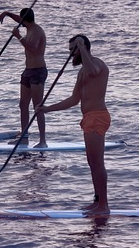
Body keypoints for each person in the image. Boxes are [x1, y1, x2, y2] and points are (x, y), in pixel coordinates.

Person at [37, 35, 110, 216]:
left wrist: (82, 48)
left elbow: (93, 71)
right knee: (92, 163)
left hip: (98, 117)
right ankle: (97, 201)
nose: (70, 55)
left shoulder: (97, 65)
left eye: (72, 50)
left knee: (98, 164)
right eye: (70, 51)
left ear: (82, 47)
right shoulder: (82, 71)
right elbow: (74, 99)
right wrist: (47, 109)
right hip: (87, 118)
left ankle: (104, 205)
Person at [0, 8, 48, 148]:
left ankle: (43, 141)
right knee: (23, 105)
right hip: (27, 71)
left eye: (22, 21)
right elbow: (19, 20)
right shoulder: (29, 26)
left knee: (37, 106)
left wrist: (18, 36)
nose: (20, 23)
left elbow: (33, 48)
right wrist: (6, 13)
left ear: (26, 21)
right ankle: (24, 138)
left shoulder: (37, 31)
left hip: (38, 71)